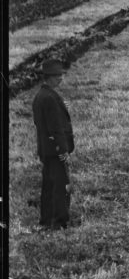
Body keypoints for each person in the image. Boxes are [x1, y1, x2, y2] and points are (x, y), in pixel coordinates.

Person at [33, 59, 75, 230]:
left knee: (49, 187)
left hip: (46, 150)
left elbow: (41, 123)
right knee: (62, 187)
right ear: (48, 77)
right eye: (57, 75)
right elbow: (56, 128)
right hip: (56, 150)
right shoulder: (50, 98)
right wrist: (63, 150)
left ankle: (47, 220)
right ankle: (60, 222)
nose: (61, 78)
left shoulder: (42, 95)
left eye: (61, 75)